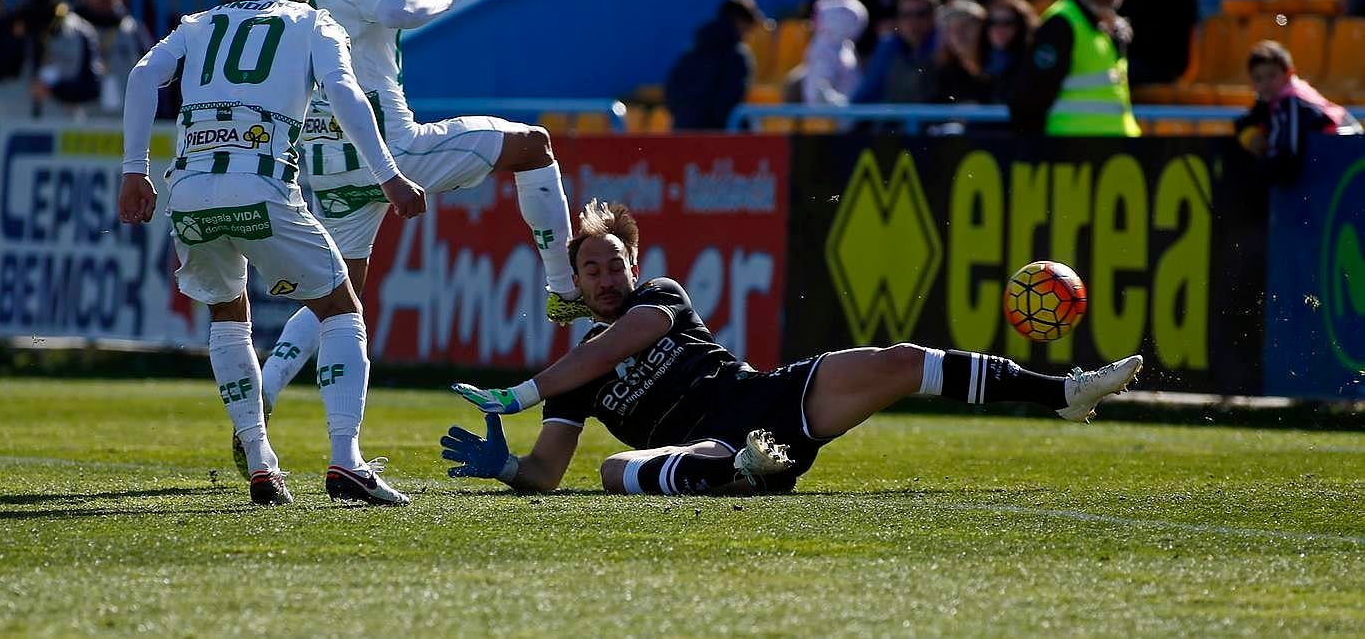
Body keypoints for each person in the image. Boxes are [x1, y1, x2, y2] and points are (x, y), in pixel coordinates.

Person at [440, 199, 1144, 495]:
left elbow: (614, 346)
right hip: (706, 446)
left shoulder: (660, 296)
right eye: (589, 269)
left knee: (899, 360)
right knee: (612, 470)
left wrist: (522, 391)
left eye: (613, 263)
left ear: (634, 264)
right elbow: (548, 473)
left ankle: (1062, 393)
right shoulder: (572, 373)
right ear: (574, 279)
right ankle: (742, 473)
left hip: (766, 399)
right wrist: (506, 466)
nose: (604, 277)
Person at [253, 0, 588, 443]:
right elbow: (396, 8)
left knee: (337, 293)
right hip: (393, 149)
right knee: (534, 147)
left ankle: (265, 388)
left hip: (330, 160)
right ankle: (562, 288)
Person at [117, 0, 427, 506]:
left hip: (188, 189)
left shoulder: (201, 21)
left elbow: (141, 76)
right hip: (260, 184)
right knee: (340, 308)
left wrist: (135, 170)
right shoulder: (314, 23)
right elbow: (345, 93)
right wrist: (387, 174)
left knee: (228, 315)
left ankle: (261, 462)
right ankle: (346, 460)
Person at [1008, 0, 1140, 136]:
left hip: (1111, 155)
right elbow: (1029, 99)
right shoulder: (1061, 24)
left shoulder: (1109, 28)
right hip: (1071, 154)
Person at [1235, 40, 1362, 183]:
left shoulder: (1293, 102)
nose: (1265, 83)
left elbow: (1289, 159)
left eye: (1272, 75)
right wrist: (1250, 136)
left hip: (1347, 161)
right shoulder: (1271, 100)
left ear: (1289, 74)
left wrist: (1254, 173)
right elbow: (1244, 121)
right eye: (1258, 78)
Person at [665, 0, 763, 128]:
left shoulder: (691, 53)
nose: (750, 33)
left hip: (683, 135)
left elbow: (671, 94)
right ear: (739, 21)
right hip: (717, 141)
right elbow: (730, 104)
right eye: (749, 25)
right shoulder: (737, 56)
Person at [75, 0, 152, 116]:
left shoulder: (133, 31)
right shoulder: (68, 29)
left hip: (122, 124)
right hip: (71, 125)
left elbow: (153, 77)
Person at [850, 0, 941, 105]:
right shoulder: (888, 45)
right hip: (893, 123)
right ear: (897, 19)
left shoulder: (946, 46)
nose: (913, 21)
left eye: (921, 14)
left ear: (935, 17)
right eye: (906, 15)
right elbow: (867, 94)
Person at [800, 0, 866, 105]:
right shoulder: (824, 48)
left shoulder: (844, 46)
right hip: (831, 118)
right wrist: (842, 106)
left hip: (845, 116)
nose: (813, 20)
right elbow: (820, 93)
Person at [931, 0, 992, 104]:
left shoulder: (1000, 67)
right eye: (951, 28)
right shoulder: (944, 73)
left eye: (966, 25)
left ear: (983, 28)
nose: (959, 33)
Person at [983, 0, 1038, 102]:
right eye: (992, 23)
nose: (999, 29)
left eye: (1007, 23)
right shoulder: (976, 61)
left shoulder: (1032, 63)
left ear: (1022, 26)